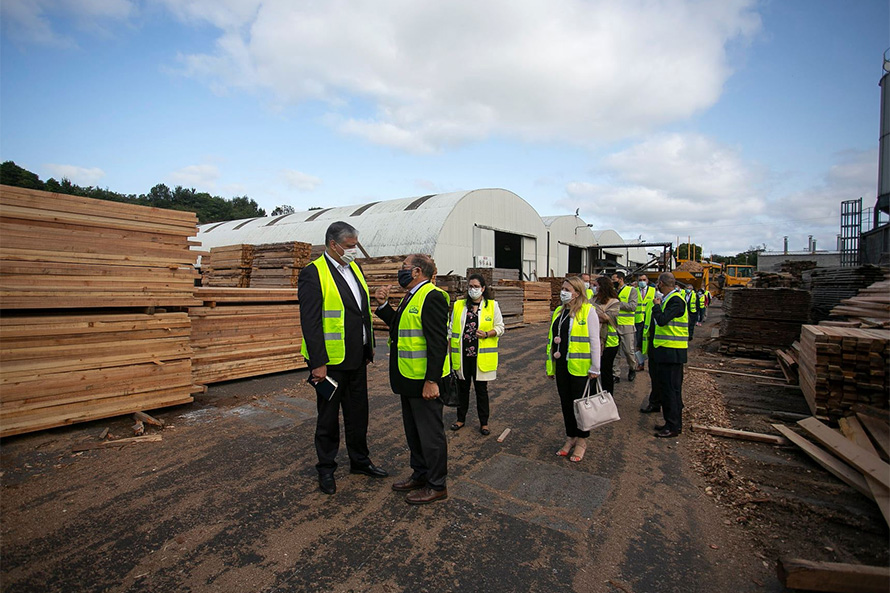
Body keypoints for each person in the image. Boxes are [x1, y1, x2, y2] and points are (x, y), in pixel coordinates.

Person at [298, 221, 387, 496]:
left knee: (358, 414)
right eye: (350, 247)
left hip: (358, 357)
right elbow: (310, 323)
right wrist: (318, 363)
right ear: (333, 245)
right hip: (331, 362)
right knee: (327, 419)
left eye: (355, 247)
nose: (354, 252)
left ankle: (360, 461)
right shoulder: (313, 274)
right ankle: (326, 468)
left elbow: (357, 311)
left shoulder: (355, 269)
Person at [375, 254, 450, 504]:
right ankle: (420, 475)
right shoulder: (412, 295)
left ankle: (437, 485)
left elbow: (438, 343)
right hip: (408, 378)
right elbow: (399, 326)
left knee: (430, 436)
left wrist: (432, 380)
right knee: (414, 434)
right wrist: (384, 306)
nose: (401, 271)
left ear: (417, 271)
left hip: (423, 382)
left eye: (404, 268)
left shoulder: (432, 296)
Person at [546, 276, 601, 463]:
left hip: (581, 368)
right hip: (562, 366)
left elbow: (594, 340)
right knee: (566, 404)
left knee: (581, 407)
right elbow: (551, 342)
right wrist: (550, 367)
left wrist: (596, 367)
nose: (563, 292)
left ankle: (582, 441)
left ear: (577, 292)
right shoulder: (559, 312)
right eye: (563, 288)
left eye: (567, 289)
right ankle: (570, 437)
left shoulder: (588, 311)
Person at [449, 274, 505, 436]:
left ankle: (484, 423)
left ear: (483, 288)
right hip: (463, 355)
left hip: (481, 357)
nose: (473, 289)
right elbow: (451, 328)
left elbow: (501, 327)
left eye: (476, 286)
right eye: (470, 286)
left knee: (481, 390)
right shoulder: (459, 305)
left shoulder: (492, 306)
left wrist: (488, 333)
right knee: (463, 389)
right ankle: (460, 419)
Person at [650, 272, 688, 438]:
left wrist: (656, 306)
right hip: (665, 351)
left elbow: (662, 320)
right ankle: (671, 423)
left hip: (672, 352)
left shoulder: (676, 301)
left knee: (671, 390)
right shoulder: (670, 299)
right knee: (666, 388)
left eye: (658, 283)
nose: (657, 286)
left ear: (662, 284)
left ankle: (673, 426)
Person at [592, 276, 620, 397]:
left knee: (606, 372)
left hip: (609, 342)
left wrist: (592, 311)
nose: (593, 288)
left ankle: (608, 398)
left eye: (595, 285)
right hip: (594, 340)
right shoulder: (592, 300)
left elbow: (606, 318)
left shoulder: (614, 302)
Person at [611, 271, 639, 381]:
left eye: (614, 280)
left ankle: (632, 368)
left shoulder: (631, 291)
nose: (613, 282)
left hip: (627, 325)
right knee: (615, 351)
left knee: (628, 350)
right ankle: (615, 374)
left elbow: (632, 307)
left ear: (621, 279)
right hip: (614, 324)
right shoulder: (613, 291)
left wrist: (618, 303)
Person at [634, 274, 655, 370]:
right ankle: (640, 363)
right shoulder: (634, 291)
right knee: (638, 343)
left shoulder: (653, 291)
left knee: (650, 341)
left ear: (647, 280)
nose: (642, 281)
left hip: (649, 319)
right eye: (640, 280)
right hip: (638, 320)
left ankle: (651, 363)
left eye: (644, 279)